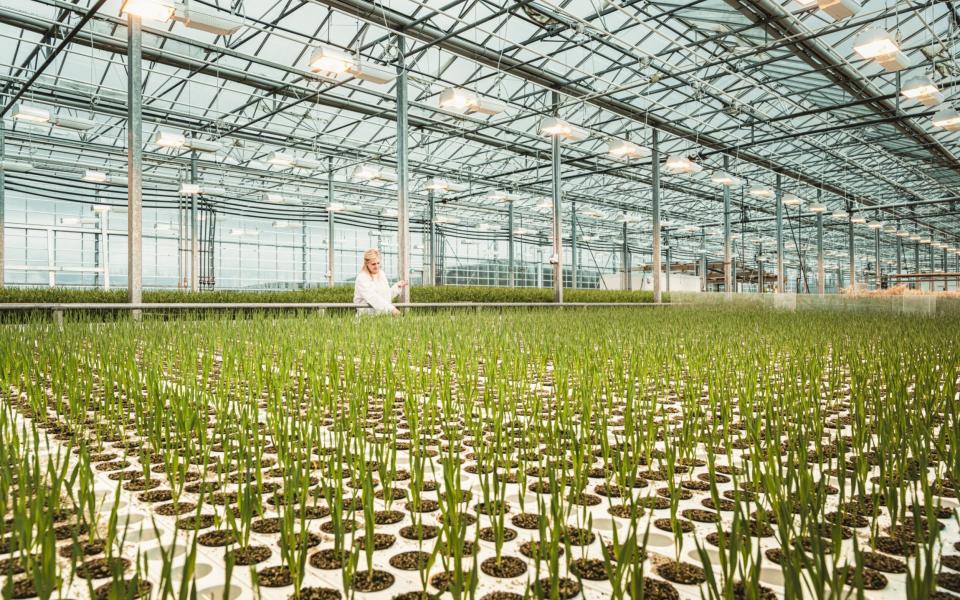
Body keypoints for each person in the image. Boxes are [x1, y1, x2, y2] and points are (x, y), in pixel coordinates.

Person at [353, 248, 407, 316]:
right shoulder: (362, 278)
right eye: (373, 264)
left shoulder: (381, 274)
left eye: (378, 263)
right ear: (367, 264)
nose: (377, 266)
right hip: (366, 319)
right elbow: (372, 298)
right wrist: (392, 309)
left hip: (381, 317)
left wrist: (397, 287)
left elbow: (385, 296)